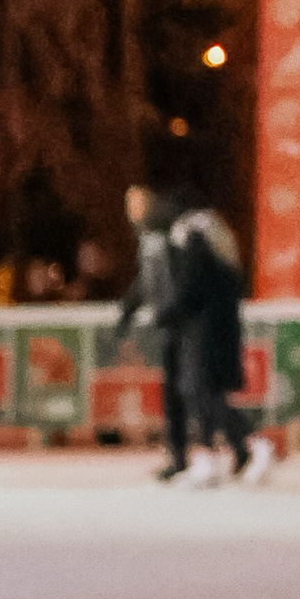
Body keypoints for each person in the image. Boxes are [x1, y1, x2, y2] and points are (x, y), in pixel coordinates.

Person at [165, 199, 274, 485]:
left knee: (201, 393)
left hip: (204, 332)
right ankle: (238, 451)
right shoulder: (217, 241)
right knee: (209, 394)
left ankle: (246, 445)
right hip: (218, 329)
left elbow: (192, 288)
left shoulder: (192, 238)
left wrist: (171, 312)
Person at [117, 185, 189, 478]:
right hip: (168, 322)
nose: (131, 209)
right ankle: (178, 455)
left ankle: (242, 444)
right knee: (175, 392)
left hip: (180, 323)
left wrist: (173, 309)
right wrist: (128, 310)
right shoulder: (147, 236)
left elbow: (176, 279)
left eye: (136, 202)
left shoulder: (164, 234)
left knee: (194, 391)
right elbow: (146, 281)